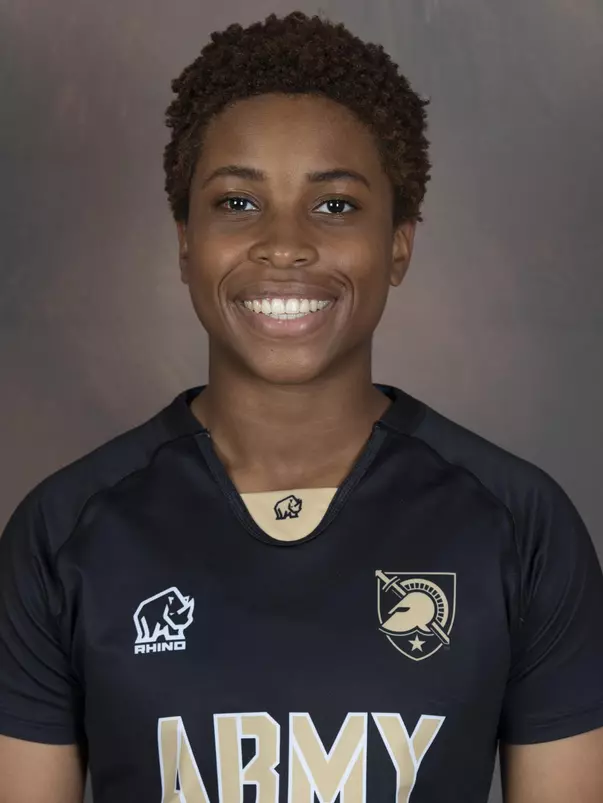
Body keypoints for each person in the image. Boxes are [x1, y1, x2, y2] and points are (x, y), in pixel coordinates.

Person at [1, 9, 602, 803]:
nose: (284, 245)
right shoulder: (63, 532)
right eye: (238, 203)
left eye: (336, 205)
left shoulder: (520, 526)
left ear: (400, 242)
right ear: (186, 239)